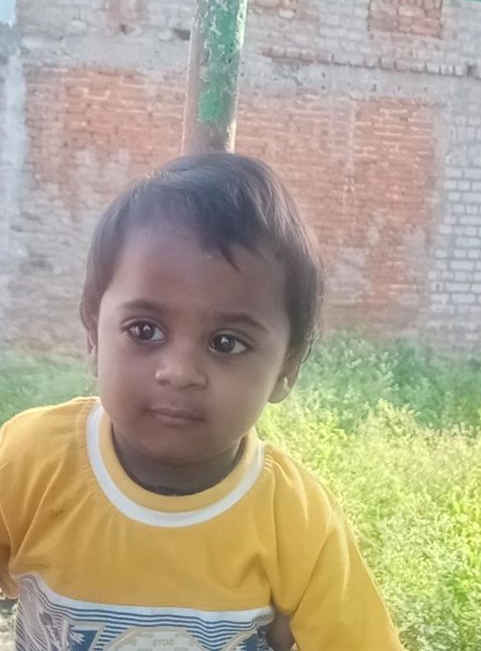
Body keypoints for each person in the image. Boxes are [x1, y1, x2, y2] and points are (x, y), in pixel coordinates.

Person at [0, 153, 404, 651]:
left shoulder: (295, 520)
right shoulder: (28, 462)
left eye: (226, 343)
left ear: (287, 369)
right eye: (144, 330)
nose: (179, 372)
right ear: (93, 335)